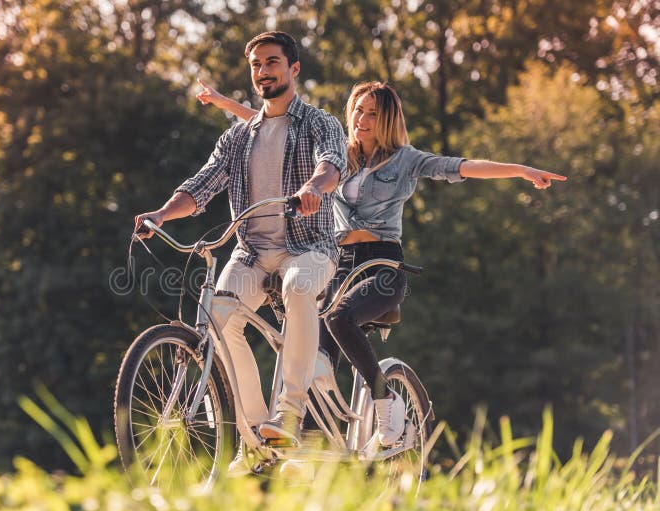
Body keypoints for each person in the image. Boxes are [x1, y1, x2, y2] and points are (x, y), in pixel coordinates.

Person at [196, 79, 566, 448]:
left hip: (383, 267)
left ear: (387, 119)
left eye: (372, 113)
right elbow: (273, 126)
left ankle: (384, 398)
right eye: (358, 109)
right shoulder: (336, 153)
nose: (362, 118)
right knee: (308, 354)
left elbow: (463, 167)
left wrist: (520, 170)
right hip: (338, 264)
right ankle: (297, 442)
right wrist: (222, 102)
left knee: (338, 317)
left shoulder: (407, 160)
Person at [134, 31, 347, 455]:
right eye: (256, 65)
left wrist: (314, 188)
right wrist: (160, 214)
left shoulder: (320, 123)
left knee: (298, 286)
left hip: (310, 248)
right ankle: (255, 433)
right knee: (217, 316)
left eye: (272, 62)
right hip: (250, 252)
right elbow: (201, 186)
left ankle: (289, 412)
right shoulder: (237, 137)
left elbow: (332, 164)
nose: (263, 72)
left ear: (293, 69)